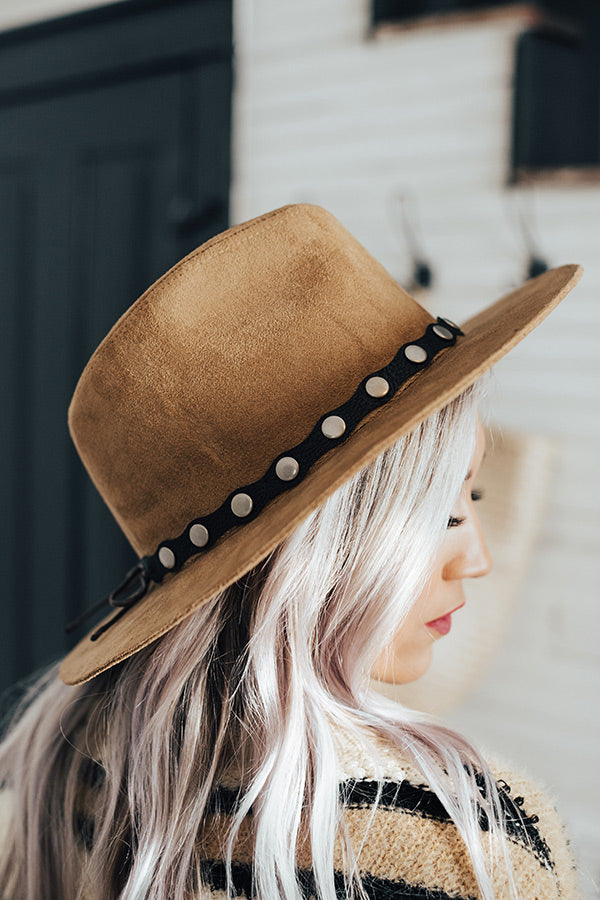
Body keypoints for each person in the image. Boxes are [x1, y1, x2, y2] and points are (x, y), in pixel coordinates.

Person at [0, 203, 583, 900]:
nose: (477, 560)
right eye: (445, 511)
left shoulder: (68, 767)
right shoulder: (468, 845)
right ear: (326, 547)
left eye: (474, 502)